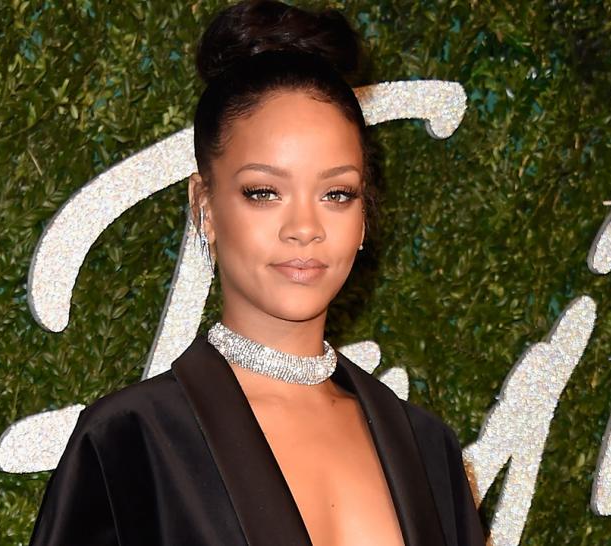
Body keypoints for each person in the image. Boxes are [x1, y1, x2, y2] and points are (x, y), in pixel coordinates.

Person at [28, 1, 485, 545]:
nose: (304, 228)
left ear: (363, 216)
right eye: (264, 192)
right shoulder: (128, 445)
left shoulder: (428, 449)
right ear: (205, 206)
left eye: (337, 194)